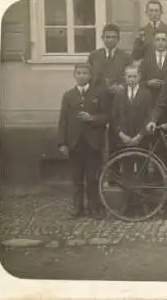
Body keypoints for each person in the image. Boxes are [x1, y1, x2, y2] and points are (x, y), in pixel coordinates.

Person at [57, 63, 109, 219]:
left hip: (92, 143)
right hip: (74, 144)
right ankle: (77, 208)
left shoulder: (98, 94)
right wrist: (62, 143)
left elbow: (106, 116)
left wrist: (92, 118)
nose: (82, 76)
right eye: (79, 73)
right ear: (74, 75)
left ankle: (94, 208)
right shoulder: (68, 95)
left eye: (85, 73)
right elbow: (63, 120)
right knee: (76, 179)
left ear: (90, 76)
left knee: (92, 178)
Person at [110, 64, 154, 216]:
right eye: (129, 76)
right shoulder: (119, 95)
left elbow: (149, 116)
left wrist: (140, 135)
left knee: (142, 171)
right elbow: (114, 118)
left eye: (134, 76)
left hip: (140, 139)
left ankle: (142, 205)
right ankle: (127, 205)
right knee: (127, 172)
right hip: (124, 139)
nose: (132, 79)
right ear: (125, 77)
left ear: (139, 77)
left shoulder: (146, 94)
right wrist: (121, 134)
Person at [87, 23, 133, 161]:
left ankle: (115, 173)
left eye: (113, 37)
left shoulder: (125, 57)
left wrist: (121, 86)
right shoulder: (94, 56)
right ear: (102, 38)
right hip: (99, 104)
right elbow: (89, 79)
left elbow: (131, 78)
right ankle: (100, 174)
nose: (110, 40)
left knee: (116, 137)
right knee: (97, 139)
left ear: (118, 39)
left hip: (118, 103)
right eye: (107, 37)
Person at [139, 29, 167, 122]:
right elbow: (139, 81)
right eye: (157, 40)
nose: (160, 43)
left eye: (163, 40)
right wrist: (148, 83)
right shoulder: (146, 60)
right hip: (151, 102)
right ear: (153, 42)